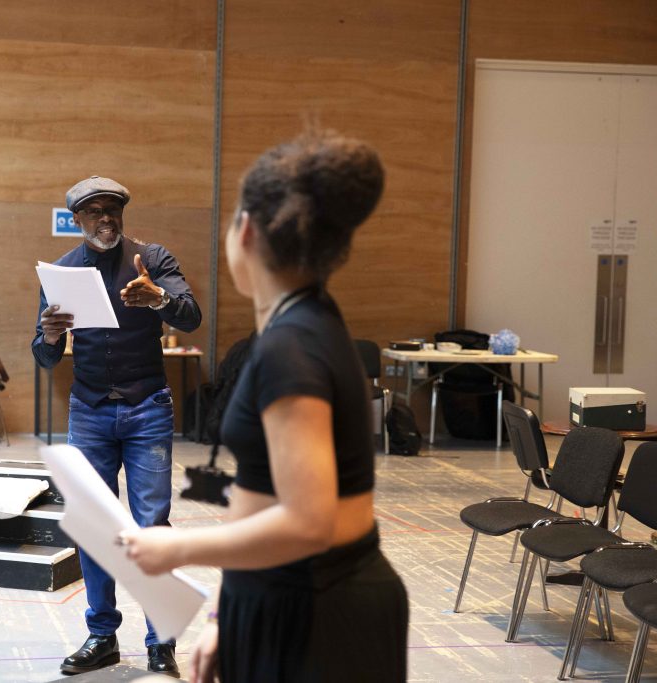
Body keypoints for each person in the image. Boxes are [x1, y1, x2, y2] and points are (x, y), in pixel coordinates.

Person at [120, 130, 409, 682]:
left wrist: (176, 548)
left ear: (245, 232)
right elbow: (261, 492)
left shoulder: (291, 346)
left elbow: (306, 521)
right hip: (289, 596)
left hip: (319, 615)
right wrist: (226, 614)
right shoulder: (300, 323)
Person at [32, 175, 202, 677]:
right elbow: (43, 358)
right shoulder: (61, 272)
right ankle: (102, 636)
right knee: (94, 527)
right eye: (94, 212)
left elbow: (191, 317)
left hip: (147, 406)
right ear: (77, 220)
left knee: (152, 526)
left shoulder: (154, 259)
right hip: (89, 412)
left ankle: (160, 642)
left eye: (113, 210)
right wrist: (47, 335)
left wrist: (160, 300)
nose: (105, 218)